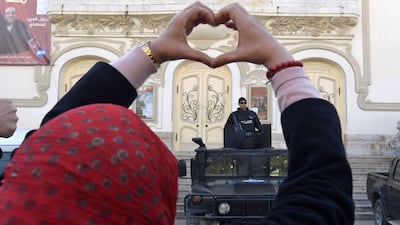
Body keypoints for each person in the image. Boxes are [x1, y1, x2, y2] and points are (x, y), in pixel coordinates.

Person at [0, 2, 354, 225]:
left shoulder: (20, 201)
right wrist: (282, 63)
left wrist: (151, 52)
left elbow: (48, 146)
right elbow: (322, 191)